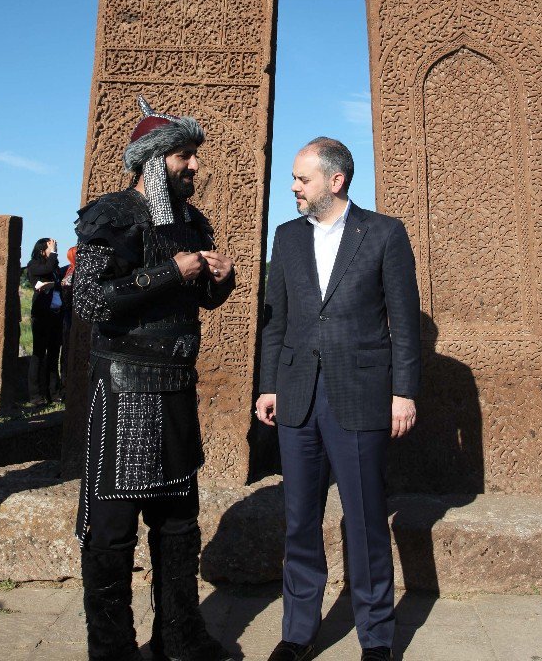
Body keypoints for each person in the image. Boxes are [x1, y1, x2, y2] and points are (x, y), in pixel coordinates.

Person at [73, 95, 236, 661]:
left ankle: (180, 638)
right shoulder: (111, 215)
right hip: (122, 392)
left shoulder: (193, 222)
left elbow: (203, 298)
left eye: (194, 156)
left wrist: (221, 277)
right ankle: (113, 650)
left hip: (176, 392)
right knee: (112, 534)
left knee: (177, 526)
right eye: (183, 157)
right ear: (151, 162)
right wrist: (171, 271)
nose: (195, 166)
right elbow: (91, 299)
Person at [256, 137, 421, 661]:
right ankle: (298, 632)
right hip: (297, 395)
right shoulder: (285, 238)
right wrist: (268, 384)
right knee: (300, 516)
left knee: (367, 516)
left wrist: (403, 392)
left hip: (361, 394)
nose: (293, 188)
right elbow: (275, 320)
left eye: (302, 179)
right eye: (294, 179)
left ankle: (376, 636)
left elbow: (405, 323)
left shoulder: (384, 234)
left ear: (336, 181)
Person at [27, 237, 64, 405]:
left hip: (56, 314)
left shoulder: (54, 267)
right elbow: (47, 268)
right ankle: (36, 396)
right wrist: (53, 253)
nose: (54, 248)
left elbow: (55, 272)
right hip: (42, 315)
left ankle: (54, 393)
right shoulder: (34, 264)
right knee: (39, 354)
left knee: (54, 354)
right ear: (43, 250)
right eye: (50, 246)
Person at [60, 245, 77, 391]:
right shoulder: (72, 271)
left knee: (67, 349)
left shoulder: (67, 271)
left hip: (68, 313)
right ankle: (67, 383)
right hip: (72, 313)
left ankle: (65, 382)